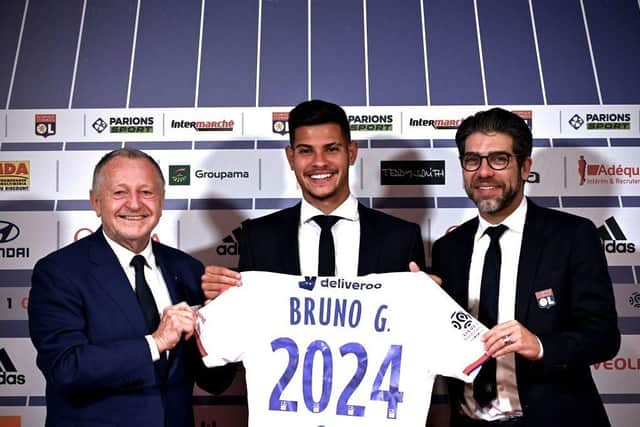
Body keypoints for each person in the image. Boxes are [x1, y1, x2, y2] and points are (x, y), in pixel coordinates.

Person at [431, 108, 620, 426]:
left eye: (499, 159)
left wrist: (542, 345)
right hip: (467, 420)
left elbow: (603, 336)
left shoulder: (572, 236)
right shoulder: (448, 249)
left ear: (525, 167)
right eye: (472, 160)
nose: (484, 172)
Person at [28, 149, 234, 427]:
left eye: (147, 192)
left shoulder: (188, 269)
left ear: (161, 201)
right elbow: (65, 368)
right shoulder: (58, 272)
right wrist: (156, 342)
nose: (135, 204)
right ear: (96, 202)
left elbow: (214, 381)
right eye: (119, 193)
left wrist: (225, 318)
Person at [201, 99, 426, 297]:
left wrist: (428, 304)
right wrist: (223, 299)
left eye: (331, 149)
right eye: (306, 151)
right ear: (291, 158)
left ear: (351, 153)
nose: (319, 162)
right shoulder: (257, 237)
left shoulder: (402, 237)